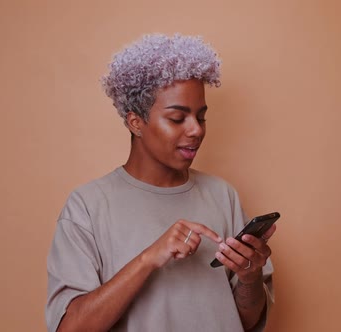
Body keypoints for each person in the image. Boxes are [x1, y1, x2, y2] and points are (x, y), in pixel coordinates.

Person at [45, 34, 276, 332]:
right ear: (135, 122)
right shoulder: (87, 207)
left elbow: (247, 321)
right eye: (178, 118)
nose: (196, 130)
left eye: (201, 117)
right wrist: (149, 259)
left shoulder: (222, 195)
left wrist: (249, 278)